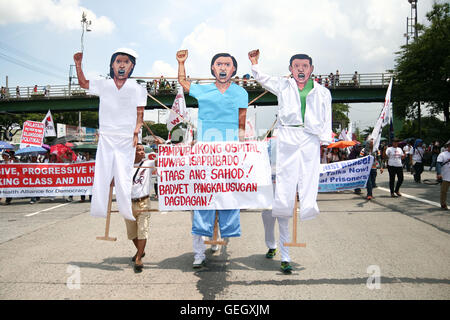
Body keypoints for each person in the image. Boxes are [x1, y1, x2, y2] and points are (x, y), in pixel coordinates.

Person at [249, 49, 332, 274]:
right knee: (282, 193)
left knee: (309, 175)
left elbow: (327, 116)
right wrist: (255, 63)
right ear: (291, 70)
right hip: (288, 134)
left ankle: (308, 207)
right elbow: (263, 79)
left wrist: (325, 138)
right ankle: (276, 243)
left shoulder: (323, 92)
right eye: (297, 66)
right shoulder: (284, 86)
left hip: (310, 136)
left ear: (311, 69)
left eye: (305, 66)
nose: (301, 69)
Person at [177, 49, 248, 268]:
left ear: (233, 69)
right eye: (219, 64)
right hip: (205, 152)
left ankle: (221, 238)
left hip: (229, 153)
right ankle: (198, 252)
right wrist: (181, 62)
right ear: (212, 69)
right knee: (201, 201)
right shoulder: (204, 90)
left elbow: (242, 125)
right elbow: (183, 82)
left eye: (227, 64)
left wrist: (243, 149)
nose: (223, 68)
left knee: (226, 199)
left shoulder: (241, 93)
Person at [74, 48, 146, 222]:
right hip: (106, 134)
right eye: (118, 61)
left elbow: (140, 114)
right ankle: (98, 209)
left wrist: (136, 132)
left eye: (126, 62)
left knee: (124, 174)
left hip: (126, 136)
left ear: (132, 66)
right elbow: (83, 83)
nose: (122, 65)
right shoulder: (103, 84)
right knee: (102, 172)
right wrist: (78, 64)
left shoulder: (137, 88)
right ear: (112, 65)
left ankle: (125, 208)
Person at [126, 143, 156, 272]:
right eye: (139, 150)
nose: (142, 152)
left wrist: (163, 147)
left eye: (143, 150)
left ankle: (139, 258)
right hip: (127, 203)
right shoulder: (125, 166)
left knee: (143, 230)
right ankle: (140, 250)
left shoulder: (148, 164)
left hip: (144, 202)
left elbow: (163, 161)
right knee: (132, 233)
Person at [436, 140, 450, 210]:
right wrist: (439, 173)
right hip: (445, 176)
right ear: (448, 146)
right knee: (444, 191)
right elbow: (438, 164)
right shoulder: (443, 154)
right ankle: (443, 203)